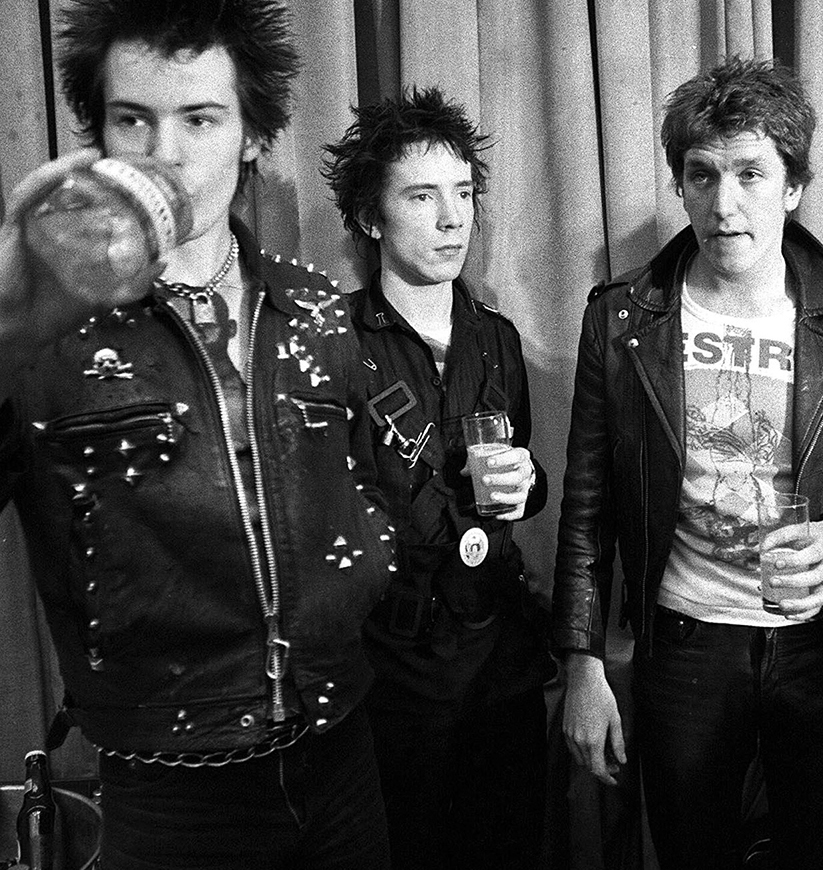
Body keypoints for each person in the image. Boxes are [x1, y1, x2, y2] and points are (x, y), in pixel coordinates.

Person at [0, 1, 397, 867]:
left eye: (200, 119)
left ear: (251, 135)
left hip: (345, 757)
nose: (166, 153)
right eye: (134, 120)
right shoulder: (38, 321)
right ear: (100, 138)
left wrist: (373, 563)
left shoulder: (312, 303)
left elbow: (364, 485)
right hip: (168, 797)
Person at [553, 57, 823, 870]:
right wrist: (582, 665)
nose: (723, 203)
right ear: (681, 184)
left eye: (750, 174)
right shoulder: (623, 322)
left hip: (820, 645)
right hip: (685, 645)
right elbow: (587, 506)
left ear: (793, 186)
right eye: (702, 175)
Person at [322, 87, 553, 870]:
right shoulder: (332, 344)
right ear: (371, 217)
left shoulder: (497, 340)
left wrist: (528, 483)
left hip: (500, 657)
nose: (453, 219)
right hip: (390, 669)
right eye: (422, 197)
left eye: (463, 194)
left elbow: (523, 469)